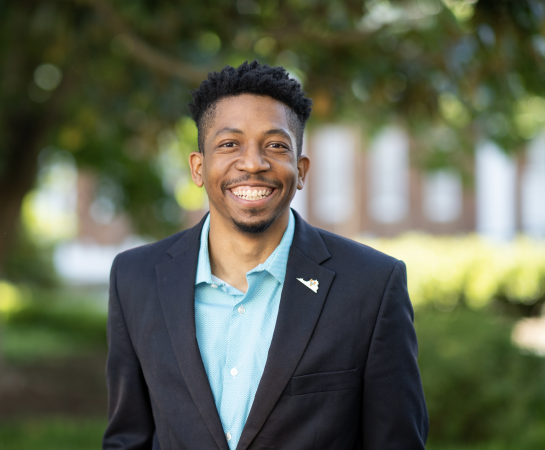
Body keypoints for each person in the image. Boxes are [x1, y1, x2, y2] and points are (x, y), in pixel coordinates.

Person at [103, 61, 428, 450]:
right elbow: (128, 438)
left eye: (275, 145)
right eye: (229, 144)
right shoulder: (135, 279)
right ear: (198, 167)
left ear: (301, 170)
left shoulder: (372, 285)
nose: (253, 163)